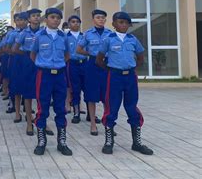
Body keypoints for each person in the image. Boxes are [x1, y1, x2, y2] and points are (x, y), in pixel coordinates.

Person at [97, 12, 153, 156]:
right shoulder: (108, 39)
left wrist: (131, 67)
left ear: (129, 25)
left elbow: (140, 57)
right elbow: (99, 60)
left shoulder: (133, 39)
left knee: (132, 107)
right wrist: (111, 69)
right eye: (120, 22)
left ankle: (137, 142)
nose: (123, 25)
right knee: (112, 107)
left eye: (126, 23)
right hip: (114, 77)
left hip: (130, 78)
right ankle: (109, 142)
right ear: (114, 24)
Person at [30, 8, 72, 156]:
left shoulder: (63, 36)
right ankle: (41, 141)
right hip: (44, 75)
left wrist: (57, 65)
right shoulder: (39, 36)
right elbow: (33, 54)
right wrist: (44, 65)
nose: (56, 20)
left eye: (58, 18)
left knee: (61, 108)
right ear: (46, 19)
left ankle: (62, 142)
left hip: (60, 75)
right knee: (43, 107)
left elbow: (67, 55)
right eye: (52, 17)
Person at [76, 9, 112, 136]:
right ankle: (92, 124)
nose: (101, 19)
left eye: (103, 17)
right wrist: (90, 54)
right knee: (91, 95)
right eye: (98, 17)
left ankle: (108, 123)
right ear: (93, 19)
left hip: (106, 64)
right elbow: (79, 49)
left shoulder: (110, 33)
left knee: (107, 95)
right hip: (92, 65)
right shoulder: (88, 34)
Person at [13, 9, 41, 135]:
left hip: (41, 63)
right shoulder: (24, 33)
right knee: (29, 94)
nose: (36, 18)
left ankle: (42, 121)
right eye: (33, 16)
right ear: (29, 19)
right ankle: (29, 123)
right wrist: (27, 53)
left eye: (38, 16)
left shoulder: (44, 32)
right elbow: (14, 49)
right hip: (28, 64)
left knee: (42, 94)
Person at [65, 15, 87, 124]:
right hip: (72, 65)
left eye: (78, 22)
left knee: (88, 89)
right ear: (69, 24)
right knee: (75, 90)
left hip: (85, 64)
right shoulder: (65, 37)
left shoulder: (85, 36)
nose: (76, 24)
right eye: (73, 22)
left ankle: (90, 114)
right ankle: (76, 113)